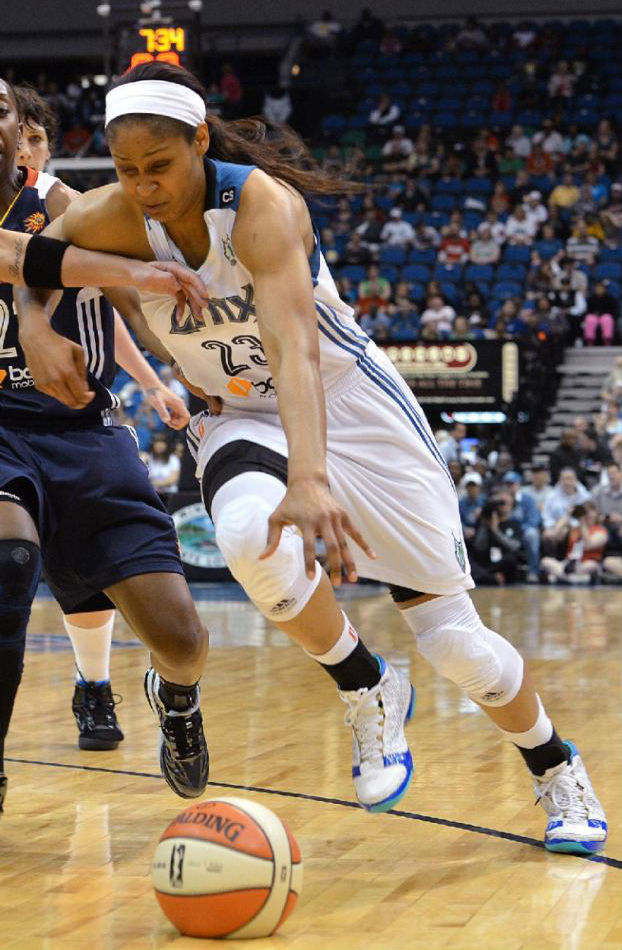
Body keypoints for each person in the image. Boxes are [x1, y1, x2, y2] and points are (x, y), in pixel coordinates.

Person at [20, 62, 607, 849]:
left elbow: (295, 350)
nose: (145, 187)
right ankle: (366, 685)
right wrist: (34, 322)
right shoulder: (114, 213)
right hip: (239, 413)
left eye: (159, 167)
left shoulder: (260, 204)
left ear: (200, 141)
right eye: (128, 171)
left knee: (462, 647)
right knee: (246, 536)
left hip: (348, 404)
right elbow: (26, 258)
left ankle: (556, 766)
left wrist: (311, 476)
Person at [0, 76, 210, 812]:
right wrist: (128, 271)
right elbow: (19, 259)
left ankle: (173, 695)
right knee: (9, 555)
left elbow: (122, 302)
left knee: (181, 637)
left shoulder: (60, 202)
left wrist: (180, 370)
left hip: (83, 426)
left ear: (21, 131)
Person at [541, 502, 607, 584]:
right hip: (568, 564)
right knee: (545, 561)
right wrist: (567, 515)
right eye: (586, 512)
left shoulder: (600, 531)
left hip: (586, 563)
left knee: (591, 565)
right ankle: (575, 579)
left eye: (592, 511)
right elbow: (554, 535)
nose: (589, 514)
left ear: (596, 514)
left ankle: (560, 577)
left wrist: (583, 524)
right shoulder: (574, 529)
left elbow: (588, 545)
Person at [501, 472, 542, 582]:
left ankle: (533, 571)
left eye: (512, 484)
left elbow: (534, 520)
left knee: (532, 534)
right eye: (507, 484)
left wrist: (519, 530)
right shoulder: (501, 500)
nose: (509, 487)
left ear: (518, 485)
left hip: (522, 532)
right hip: (505, 531)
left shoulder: (528, 499)